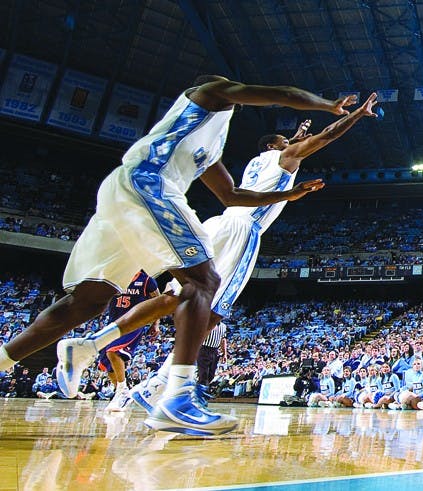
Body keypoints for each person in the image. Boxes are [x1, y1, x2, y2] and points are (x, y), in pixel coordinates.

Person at [0, 75, 355, 436]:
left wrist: (288, 195)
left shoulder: (216, 148)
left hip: (128, 193)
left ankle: (48, 352)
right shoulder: (210, 93)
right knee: (205, 284)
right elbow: (283, 93)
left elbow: (232, 195)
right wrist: (329, 106)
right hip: (154, 185)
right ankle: (175, 396)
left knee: (87, 302)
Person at [109, 95, 381, 414]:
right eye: (287, 141)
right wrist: (358, 115)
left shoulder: (257, 162)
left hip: (219, 223)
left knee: (180, 296)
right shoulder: (284, 157)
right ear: (274, 146)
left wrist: (295, 135)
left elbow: (289, 145)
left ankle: (104, 342)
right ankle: (160, 383)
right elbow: (328, 136)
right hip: (242, 230)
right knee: (213, 313)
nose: (295, 143)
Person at [99, 270, 160, 412]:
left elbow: (158, 302)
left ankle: (122, 390)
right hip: (114, 324)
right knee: (106, 364)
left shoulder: (146, 280)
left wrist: (155, 324)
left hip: (134, 323)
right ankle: (121, 394)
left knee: (113, 352)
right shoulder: (114, 274)